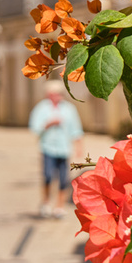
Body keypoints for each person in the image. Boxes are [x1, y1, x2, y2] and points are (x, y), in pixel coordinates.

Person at [28, 79, 83, 219]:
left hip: (64, 148)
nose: (58, 96)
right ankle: (46, 201)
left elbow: (76, 129)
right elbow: (34, 127)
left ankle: (59, 206)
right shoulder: (41, 108)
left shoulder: (69, 109)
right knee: (47, 176)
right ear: (49, 94)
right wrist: (48, 124)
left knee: (63, 178)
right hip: (48, 147)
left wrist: (79, 147)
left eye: (60, 93)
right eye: (55, 94)